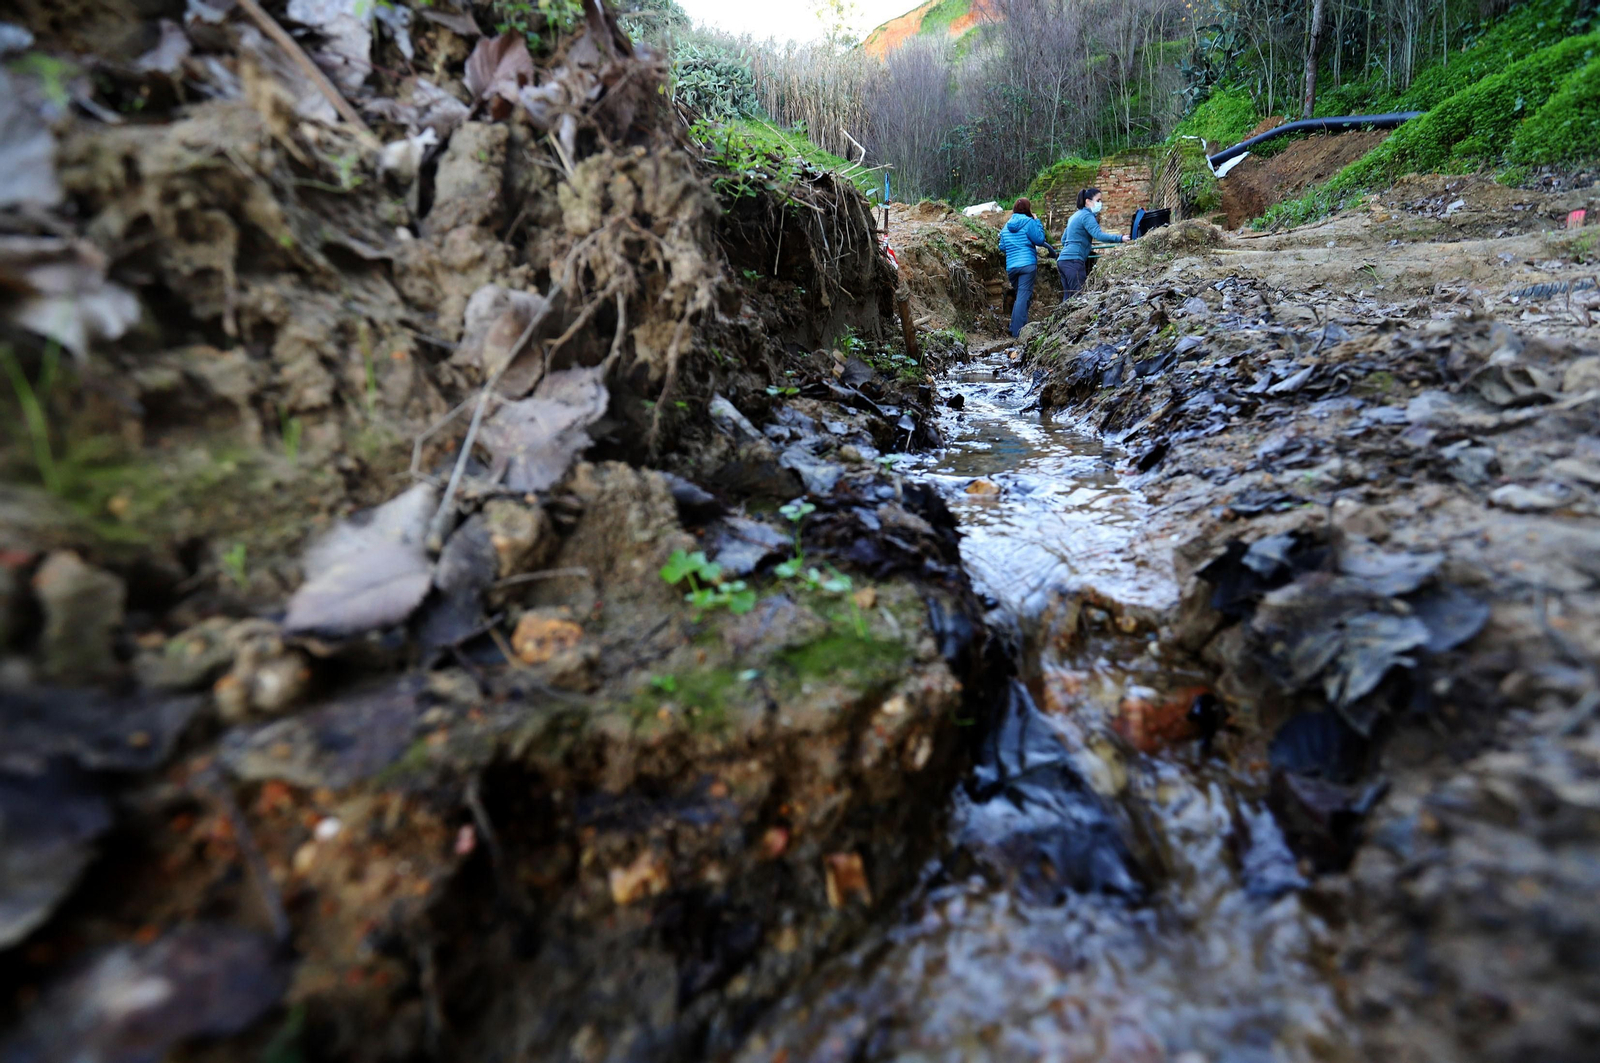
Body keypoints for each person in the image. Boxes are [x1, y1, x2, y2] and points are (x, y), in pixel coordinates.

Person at [998, 197, 1057, 337]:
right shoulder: (1029, 222)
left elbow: (1002, 247)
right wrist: (1037, 221)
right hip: (1027, 265)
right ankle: (1017, 333)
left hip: (1012, 267)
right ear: (1028, 209)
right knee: (1023, 298)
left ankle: (1017, 326)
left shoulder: (1006, 226)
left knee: (1022, 296)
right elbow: (1039, 240)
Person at [1058, 187, 1129, 301]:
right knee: (1078, 298)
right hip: (1074, 261)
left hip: (1063, 261)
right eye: (1098, 200)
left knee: (1068, 298)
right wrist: (1120, 238)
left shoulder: (1074, 216)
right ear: (1088, 201)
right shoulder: (1087, 216)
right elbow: (1098, 235)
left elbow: (1063, 240)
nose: (1100, 204)